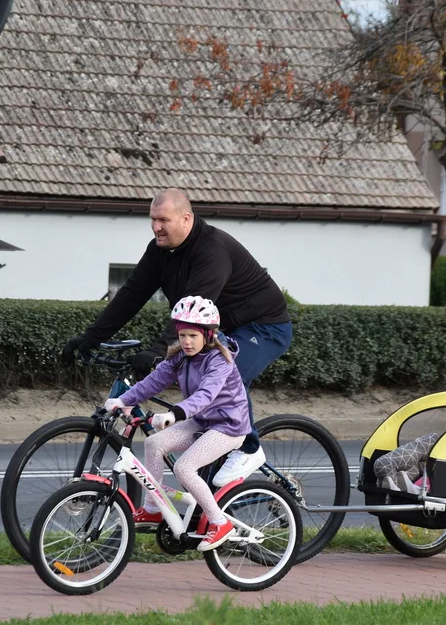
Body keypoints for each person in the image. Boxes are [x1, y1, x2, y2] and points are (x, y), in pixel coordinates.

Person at [64, 188, 292, 486]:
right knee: (199, 397)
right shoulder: (159, 250)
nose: (156, 226)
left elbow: (192, 309)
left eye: (163, 220)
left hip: (263, 327)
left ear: (186, 218)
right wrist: (91, 337)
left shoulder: (212, 251)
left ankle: (249, 448)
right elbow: (132, 294)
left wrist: (160, 349)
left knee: (224, 374)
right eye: (152, 219)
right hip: (217, 329)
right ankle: (208, 488)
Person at [102, 296, 251, 551]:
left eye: (193, 335)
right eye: (182, 335)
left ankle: (219, 522)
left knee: (184, 468)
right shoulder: (181, 357)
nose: (187, 341)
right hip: (202, 421)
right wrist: (122, 400)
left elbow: (206, 394)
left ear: (208, 335)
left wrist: (174, 414)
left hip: (228, 426)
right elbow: (152, 382)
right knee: (154, 443)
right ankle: (153, 508)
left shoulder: (219, 360)